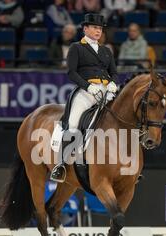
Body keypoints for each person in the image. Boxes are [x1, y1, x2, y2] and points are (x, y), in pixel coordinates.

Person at [50, 13, 118, 183]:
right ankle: (62, 164)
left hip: (106, 92)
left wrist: (112, 83)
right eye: (94, 28)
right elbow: (71, 72)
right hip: (86, 92)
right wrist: (88, 86)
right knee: (73, 122)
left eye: (100, 29)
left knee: (123, 118)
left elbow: (114, 72)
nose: (98, 31)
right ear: (85, 29)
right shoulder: (76, 48)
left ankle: (128, 164)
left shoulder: (106, 51)